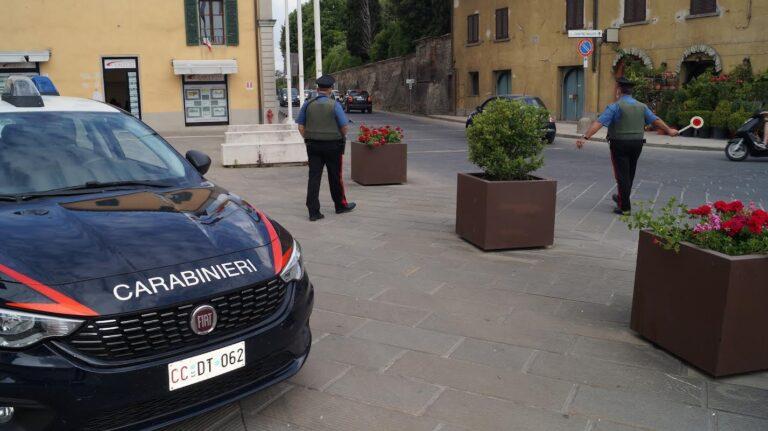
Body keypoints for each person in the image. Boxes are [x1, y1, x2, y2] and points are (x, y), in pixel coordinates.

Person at [576, 77, 679, 215]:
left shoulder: (615, 106)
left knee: (621, 175)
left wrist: (585, 137)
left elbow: (599, 123)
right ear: (631, 91)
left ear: (618, 90)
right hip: (637, 144)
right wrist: (669, 130)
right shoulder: (642, 106)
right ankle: (621, 197)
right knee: (629, 173)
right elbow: (656, 120)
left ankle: (624, 207)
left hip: (619, 144)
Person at [297, 75, 356, 222]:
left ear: (317, 89)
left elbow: (300, 126)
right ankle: (340, 205)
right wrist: (340, 136)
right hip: (333, 145)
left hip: (313, 145)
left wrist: (308, 138)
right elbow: (344, 126)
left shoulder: (308, 104)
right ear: (330, 89)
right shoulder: (334, 105)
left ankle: (313, 211)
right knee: (335, 176)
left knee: (314, 177)